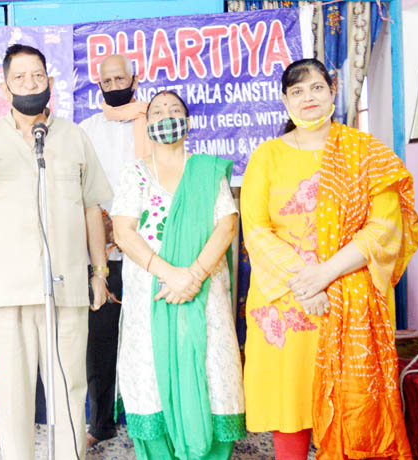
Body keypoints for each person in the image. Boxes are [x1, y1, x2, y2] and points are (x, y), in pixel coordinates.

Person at [241, 58, 418, 460]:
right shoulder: (266, 156)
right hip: (286, 301)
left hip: (347, 297)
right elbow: (256, 231)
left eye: (317, 88)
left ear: (333, 92)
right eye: (297, 90)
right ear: (285, 100)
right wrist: (304, 287)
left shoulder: (366, 152)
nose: (308, 97)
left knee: (352, 411)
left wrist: (324, 274)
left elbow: (385, 227)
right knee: (291, 410)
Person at [0, 44, 112, 460]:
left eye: (37, 76)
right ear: (5, 88)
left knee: (70, 387)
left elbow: (93, 206)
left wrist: (99, 272)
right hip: (6, 289)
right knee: (15, 393)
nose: (30, 84)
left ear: (50, 82)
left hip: (67, 285)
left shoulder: (74, 137)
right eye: (19, 78)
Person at [111, 90, 246, 460]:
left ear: (187, 123)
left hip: (203, 294)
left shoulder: (206, 171)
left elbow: (226, 225)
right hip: (150, 295)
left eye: (174, 110)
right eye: (157, 111)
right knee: (150, 378)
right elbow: (123, 232)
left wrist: (194, 276)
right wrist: (170, 274)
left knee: (212, 373)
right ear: (147, 124)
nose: (166, 115)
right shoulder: (134, 173)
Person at [78, 54, 149, 447]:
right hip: (102, 254)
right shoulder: (87, 130)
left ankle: (146, 422)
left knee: (147, 342)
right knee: (99, 344)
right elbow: (81, 184)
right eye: (107, 81)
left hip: (149, 250)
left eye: (120, 78)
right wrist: (102, 224)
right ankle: (100, 423)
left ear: (134, 79)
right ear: (99, 84)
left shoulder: (153, 122)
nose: (114, 85)